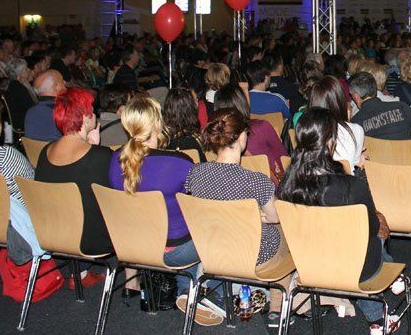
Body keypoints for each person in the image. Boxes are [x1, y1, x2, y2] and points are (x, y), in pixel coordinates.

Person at [277, 108, 402, 335]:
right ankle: (378, 315)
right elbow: (372, 230)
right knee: (377, 229)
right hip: (354, 268)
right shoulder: (352, 186)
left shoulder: (286, 186)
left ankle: (380, 312)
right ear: (331, 141)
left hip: (309, 264)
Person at [108, 97, 222, 325]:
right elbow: (203, 201)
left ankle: (187, 288)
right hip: (174, 251)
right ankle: (201, 291)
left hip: (132, 246)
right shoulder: (178, 162)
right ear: (157, 124)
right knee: (219, 224)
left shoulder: (114, 160)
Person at [185, 108, 289, 330]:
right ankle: (277, 309)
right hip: (255, 255)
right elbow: (275, 216)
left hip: (213, 249)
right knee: (286, 232)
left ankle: (217, 288)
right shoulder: (256, 181)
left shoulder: (195, 173)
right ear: (242, 137)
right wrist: (256, 216)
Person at [35, 87, 112, 286]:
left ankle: (79, 273)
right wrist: (95, 147)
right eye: (92, 111)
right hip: (92, 241)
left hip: (54, 235)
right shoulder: (100, 156)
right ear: (85, 118)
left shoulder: (45, 152)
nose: (95, 115)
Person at [214, 83, 288, 179]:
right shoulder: (262, 127)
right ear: (242, 103)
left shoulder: (215, 137)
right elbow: (284, 159)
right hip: (269, 182)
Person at [349, 72, 411, 155]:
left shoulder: (355, 123)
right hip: (410, 162)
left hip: (377, 163)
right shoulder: (401, 106)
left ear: (356, 96)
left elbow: (360, 154)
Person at [309, 76, 365, 168]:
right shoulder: (356, 130)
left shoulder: (307, 130)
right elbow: (352, 163)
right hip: (342, 176)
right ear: (341, 99)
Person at [162, 87, 205, 158]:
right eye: (195, 100)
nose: (198, 103)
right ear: (190, 107)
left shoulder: (161, 138)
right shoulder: (194, 140)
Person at [24, 69, 66, 141]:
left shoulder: (30, 112)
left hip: (35, 148)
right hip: (60, 147)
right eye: (62, 81)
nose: (65, 82)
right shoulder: (62, 111)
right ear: (56, 87)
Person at [3, 59, 37, 132]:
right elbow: (31, 106)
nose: (29, 70)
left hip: (26, 116)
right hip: (22, 120)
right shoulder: (17, 87)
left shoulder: (20, 84)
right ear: (19, 72)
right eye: (25, 69)